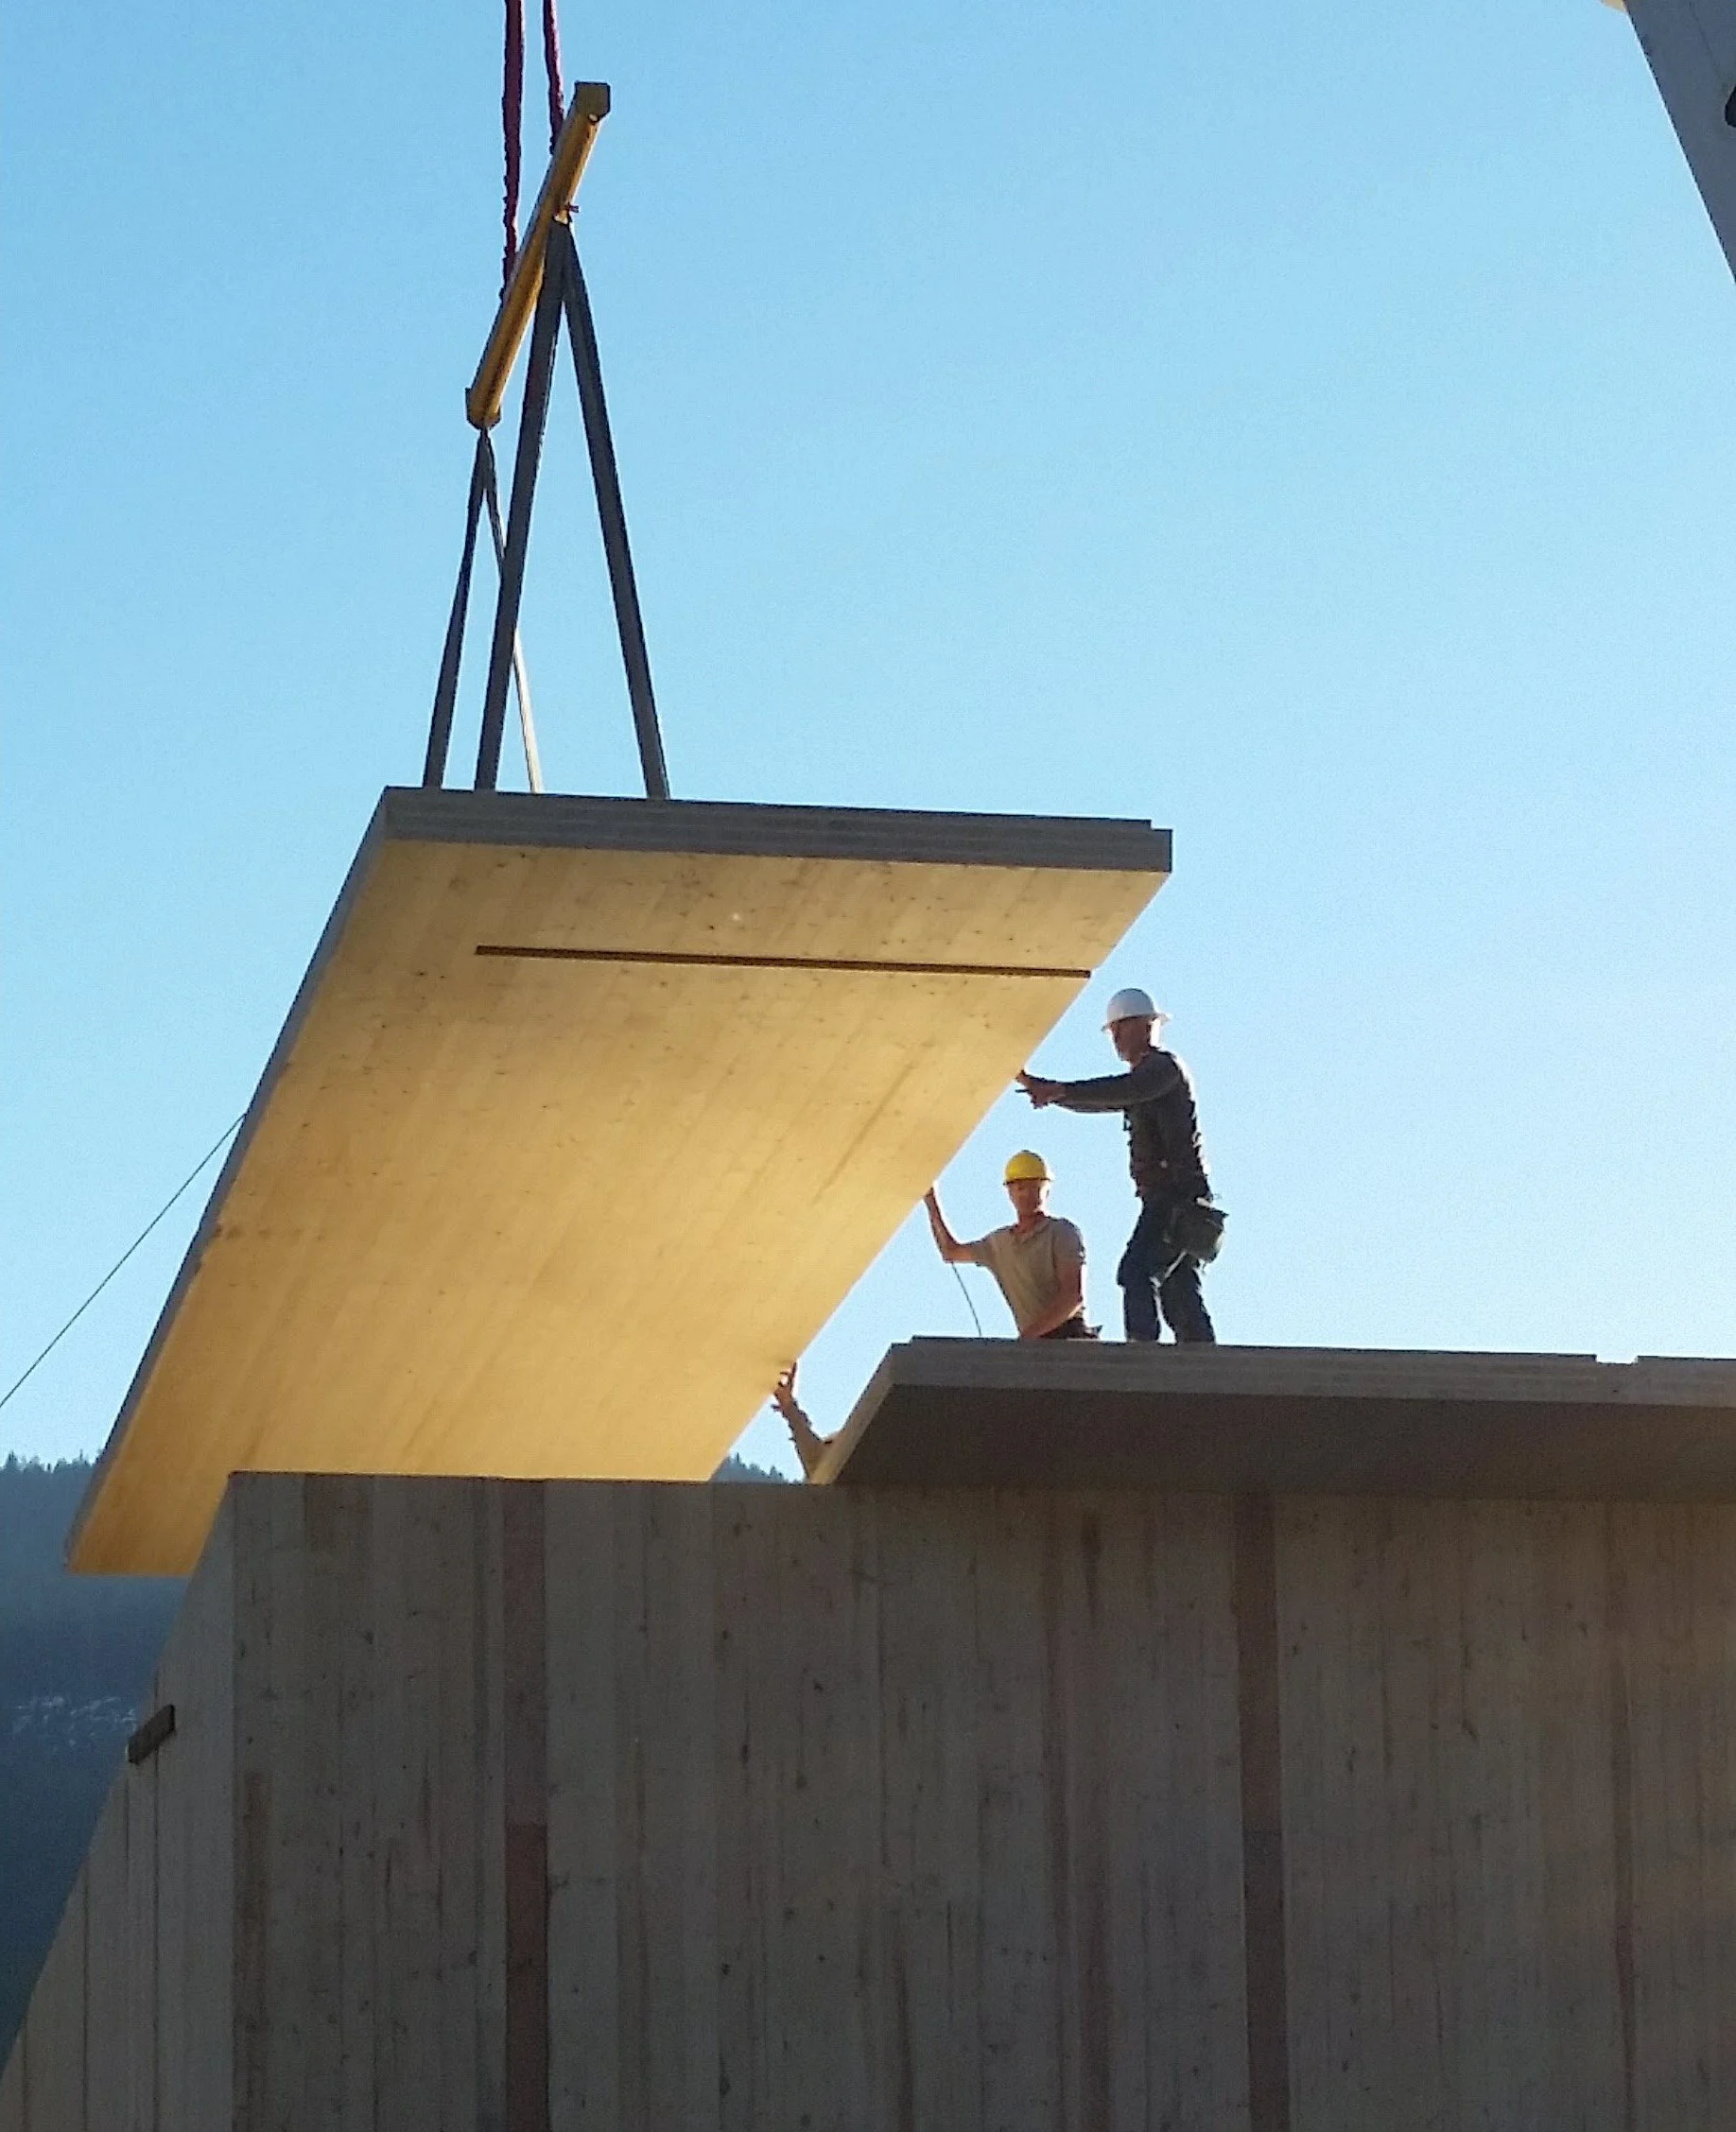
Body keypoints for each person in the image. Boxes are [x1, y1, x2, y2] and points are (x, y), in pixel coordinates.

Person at [1016, 987, 1219, 1344]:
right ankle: (1207, 1369)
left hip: (1175, 1198)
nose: (1116, 1040)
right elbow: (1107, 1099)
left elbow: (1124, 1091)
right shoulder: (1148, 1078)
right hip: (1181, 1201)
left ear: (1143, 1027)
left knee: (1136, 1272)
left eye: (1119, 1030)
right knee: (1179, 1292)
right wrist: (1050, 1091)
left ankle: (1141, 1359)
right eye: (1114, 1032)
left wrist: (1058, 1090)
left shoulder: (1162, 1069)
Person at [922, 1151, 1095, 1341]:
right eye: (1020, 1188)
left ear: (1047, 1190)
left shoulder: (1061, 1232)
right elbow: (950, 1251)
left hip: (1070, 1339)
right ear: (1010, 1192)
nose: (1027, 1194)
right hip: (1035, 1346)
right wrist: (931, 1200)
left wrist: (1027, 1338)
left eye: (1035, 1187)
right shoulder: (999, 1244)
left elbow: (1072, 1297)